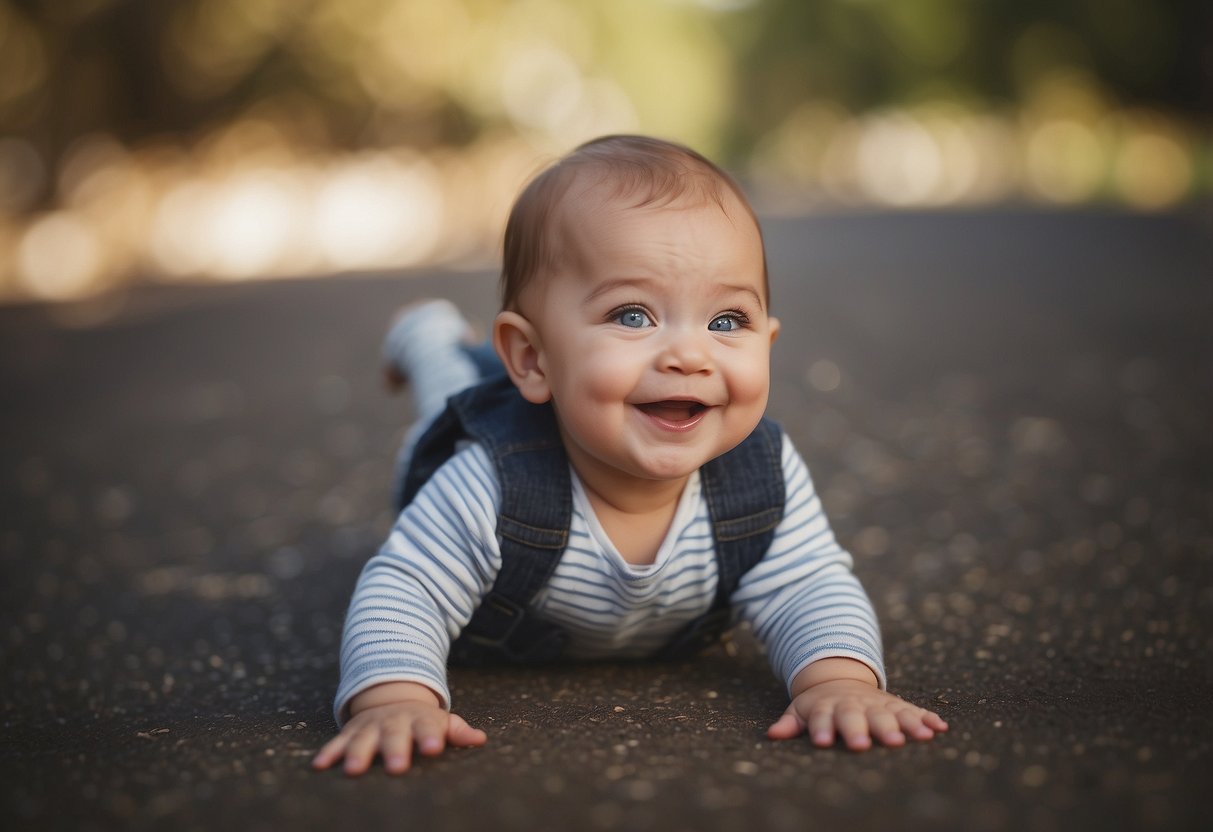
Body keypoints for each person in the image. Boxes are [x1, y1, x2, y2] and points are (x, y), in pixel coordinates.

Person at [312, 135, 948, 776]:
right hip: (502, 423)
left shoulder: (762, 479)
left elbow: (809, 585)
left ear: (769, 341)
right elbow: (406, 588)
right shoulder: (490, 481)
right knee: (453, 381)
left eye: (727, 321)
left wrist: (839, 684)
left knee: (472, 376)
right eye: (634, 315)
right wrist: (392, 699)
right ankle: (423, 328)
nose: (689, 355)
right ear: (533, 356)